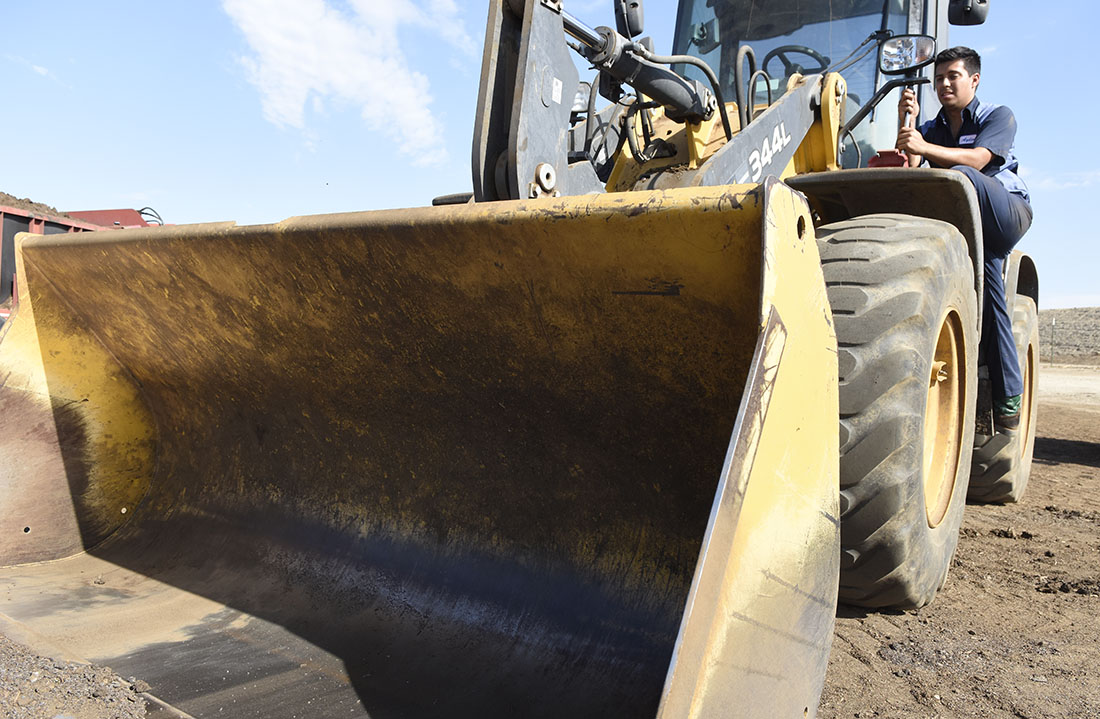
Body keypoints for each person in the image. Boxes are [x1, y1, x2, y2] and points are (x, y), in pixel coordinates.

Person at [896, 46, 1032, 433]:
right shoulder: (932, 127)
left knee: (963, 176)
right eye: (938, 78)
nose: (944, 84)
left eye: (952, 76)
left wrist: (923, 148)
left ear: (973, 79)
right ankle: (1006, 405)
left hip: (1005, 211)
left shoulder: (998, 116)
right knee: (987, 285)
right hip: (966, 220)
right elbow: (911, 166)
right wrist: (907, 127)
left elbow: (978, 161)